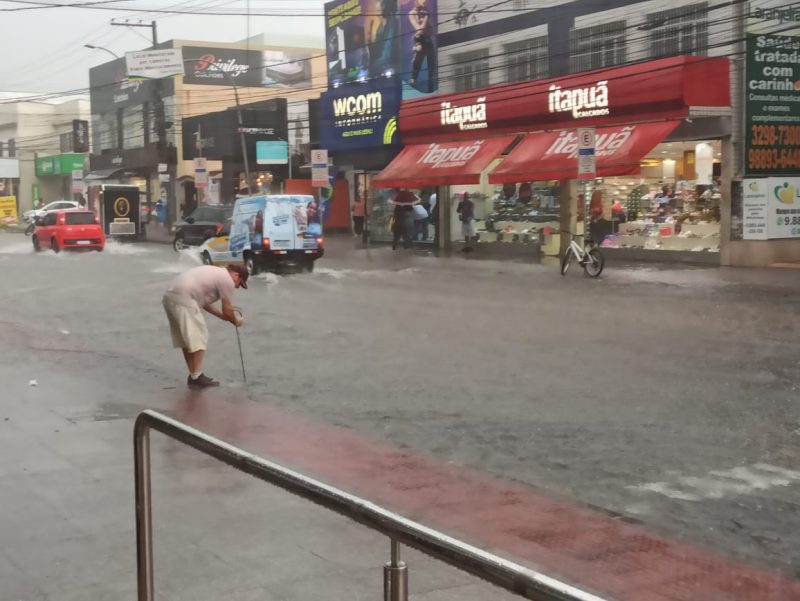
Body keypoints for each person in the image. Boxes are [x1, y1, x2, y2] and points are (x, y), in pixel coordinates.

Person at [162, 264, 248, 388]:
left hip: (171, 297)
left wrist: (223, 317)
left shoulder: (215, 274)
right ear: (236, 275)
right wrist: (236, 321)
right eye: (240, 283)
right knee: (200, 335)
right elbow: (227, 309)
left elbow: (203, 303)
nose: (237, 287)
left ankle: (194, 375)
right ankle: (197, 377)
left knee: (188, 340)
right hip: (184, 298)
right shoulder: (226, 279)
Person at [408, 0, 436, 92]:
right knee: (417, 64)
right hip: (419, 41)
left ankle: (431, 86)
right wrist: (425, 18)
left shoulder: (426, 12)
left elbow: (430, 29)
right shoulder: (412, 13)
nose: (424, 1)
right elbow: (419, 29)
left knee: (431, 67)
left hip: (428, 41)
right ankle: (412, 83)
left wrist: (426, 17)